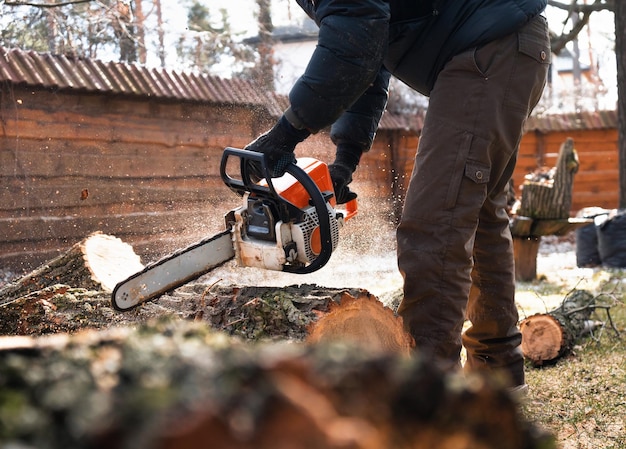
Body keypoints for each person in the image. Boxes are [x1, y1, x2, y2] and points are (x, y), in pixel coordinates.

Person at [243, 0, 550, 392]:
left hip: (491, 46)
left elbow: (356, 43)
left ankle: (425, 392)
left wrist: (287, 133)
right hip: (507, 45)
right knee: (478, 217)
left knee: (436, 221)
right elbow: (369, 54)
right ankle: (497, 375)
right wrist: (345, 159)